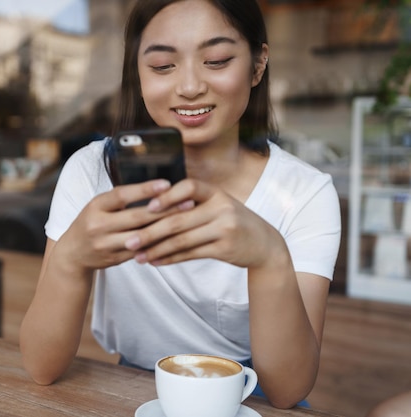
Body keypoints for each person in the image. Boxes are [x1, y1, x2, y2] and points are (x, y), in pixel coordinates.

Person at [19, 0, 341, 409]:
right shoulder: (91, 173)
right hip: (134, 386)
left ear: (258, 65)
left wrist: (268, 257)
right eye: (162, 66)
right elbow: (41, 367)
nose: (189, 86)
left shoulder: (305, 193)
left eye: (217, 60)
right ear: (137, 72)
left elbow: (288, 391)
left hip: (251, 396)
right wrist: (69, 259)